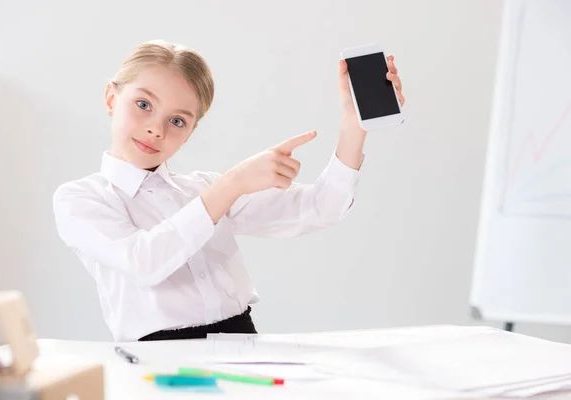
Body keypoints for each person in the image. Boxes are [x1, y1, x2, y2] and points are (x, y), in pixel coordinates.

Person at [52, 40, 405, 342]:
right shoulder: (80, 199)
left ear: (190, 131)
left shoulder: (202, 189)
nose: (156, 130)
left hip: (244, 344)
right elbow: (144, 262)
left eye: (177, 121)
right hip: (158, 360)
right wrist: (232, 183)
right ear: (111, 98)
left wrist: (353, 126)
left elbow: (322, 207)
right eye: (143, 105)